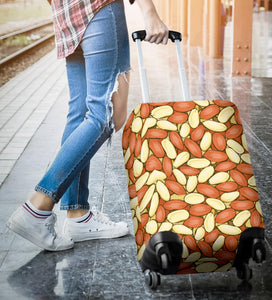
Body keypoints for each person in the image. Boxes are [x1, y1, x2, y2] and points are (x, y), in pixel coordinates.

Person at [7, 0, 169, 251]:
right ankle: (37, 207)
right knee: (103, 115)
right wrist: (150, 13)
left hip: (67, 14)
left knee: (80, 112)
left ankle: (77, 214)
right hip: (100, 8)